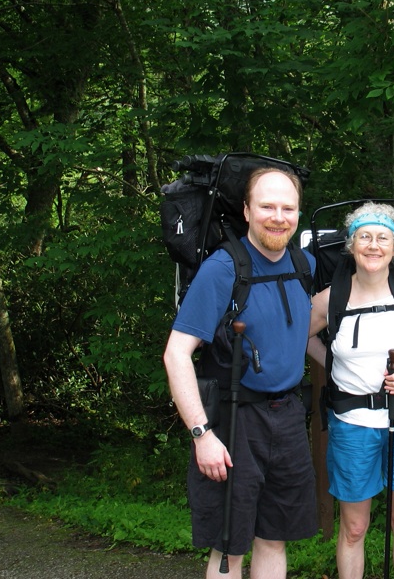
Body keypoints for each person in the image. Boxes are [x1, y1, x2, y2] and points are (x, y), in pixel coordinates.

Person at [163, 167, 318, 579]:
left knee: (274, 537)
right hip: (234, 421)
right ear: (247, 211)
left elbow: (305, 330)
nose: (278, 216)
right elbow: (176, 353)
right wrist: (201, 434)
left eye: (288, 207)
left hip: (287, 417)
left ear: (299, 214)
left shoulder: (304, 264)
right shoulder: (224, 268)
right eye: (267, 206)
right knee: (230, 546)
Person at [307, 202, 394, 579]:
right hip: (352, 424)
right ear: (351, 244)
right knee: (355, 527)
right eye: (365, 236)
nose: (374, 245)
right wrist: (335, 367)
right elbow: (301, 337)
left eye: (383, 237)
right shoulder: (331, 299)